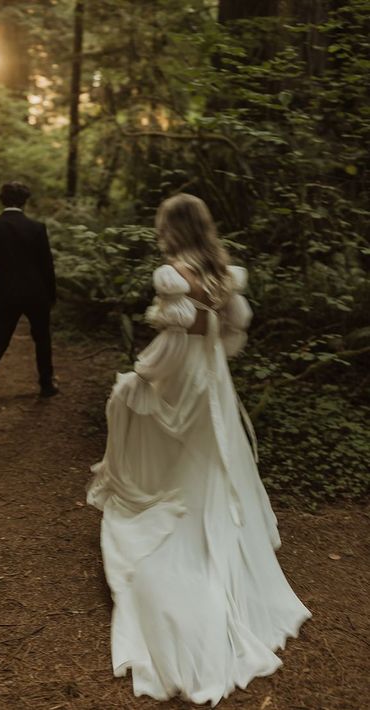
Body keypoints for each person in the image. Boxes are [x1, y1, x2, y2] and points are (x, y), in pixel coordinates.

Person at [87, 193, 311, 706]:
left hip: (182, 383)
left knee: (142, 420)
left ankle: (180, 558)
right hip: (214, 385)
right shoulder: (223, 275)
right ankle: (215, 542)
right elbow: (230, 334)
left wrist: (141, 375)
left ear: (172, 228)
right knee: (210, 465)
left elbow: (169, 346)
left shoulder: (173, 276)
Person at [0, 182, 57, 422]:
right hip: (36, 293)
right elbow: (47, 264)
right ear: (24, 201)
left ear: (1, 200)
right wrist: (51, 293)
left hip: (6, 294)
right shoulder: (36, 228)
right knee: (42, 338)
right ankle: (46, 384)